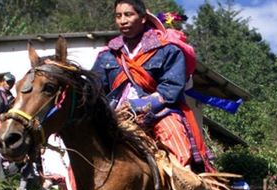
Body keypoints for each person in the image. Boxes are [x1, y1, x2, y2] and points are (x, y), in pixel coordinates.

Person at [91, 0, 213, 173]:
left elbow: (170, 90)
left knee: (173, 134)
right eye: (118, 16)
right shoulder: (107, 55)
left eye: (128, 14)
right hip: (116, 113)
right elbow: (94, 89)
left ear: (142, 18)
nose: (122, 20)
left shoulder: (168, 50)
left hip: (160, 112)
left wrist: (136, 106)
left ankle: (185, 183)